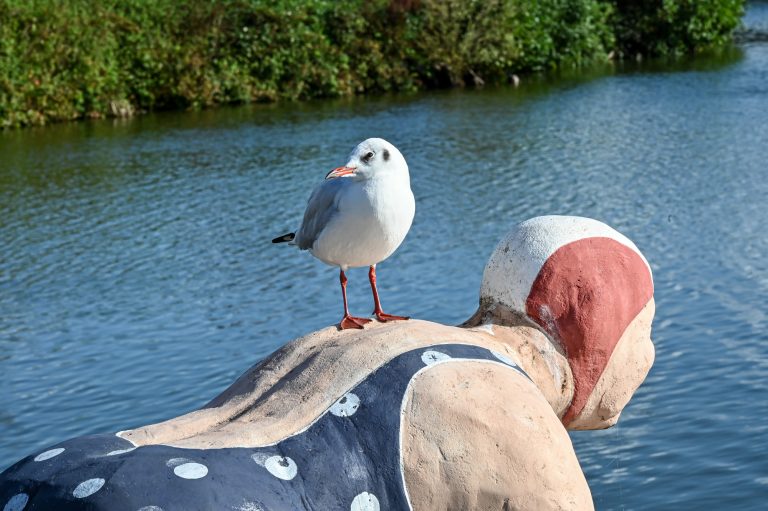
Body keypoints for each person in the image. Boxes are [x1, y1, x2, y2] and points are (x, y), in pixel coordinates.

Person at [0, 216, 654, 511]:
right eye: (644, 332)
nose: (648, 355)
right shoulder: (511, 410)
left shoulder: (350, 336)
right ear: (596, 328)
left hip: (59, 467)